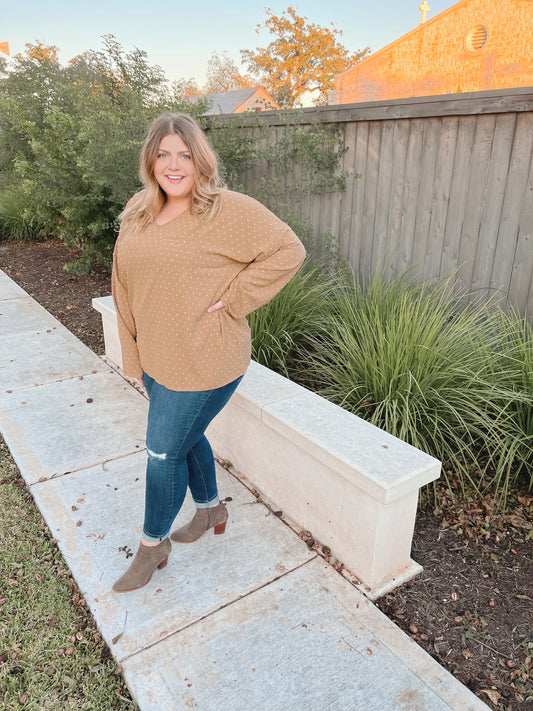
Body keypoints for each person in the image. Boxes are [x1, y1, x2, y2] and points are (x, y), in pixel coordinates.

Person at [111, 112, 306, 592]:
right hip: (158, 358)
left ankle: (153, 546)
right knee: (187, 437)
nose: (173, 166)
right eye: (163, 155)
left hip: (205, 359)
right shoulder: (140, 209)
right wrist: (134, 358)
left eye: (184, 155)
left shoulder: (225, 209)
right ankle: (211, 509)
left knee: (162, 453)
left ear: (200, 161)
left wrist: (235, 299)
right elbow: (122, 285)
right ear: (150, 160)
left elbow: (289, 249)